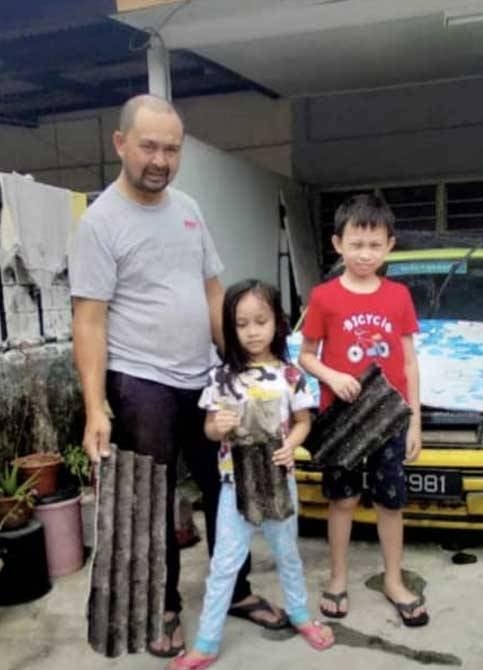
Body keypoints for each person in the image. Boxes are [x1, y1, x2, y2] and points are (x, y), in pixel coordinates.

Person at [69, 94, 287, 658]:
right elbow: (89, 320)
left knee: (228, 488)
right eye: (149, 146)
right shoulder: (99, 223)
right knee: (149, 499)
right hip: (139, 382)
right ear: (121, 144)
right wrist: (96, 405)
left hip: (205, 377)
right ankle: (161, 607)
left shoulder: (188, 207)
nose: (160, 159)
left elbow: (213, 289)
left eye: (171, 148)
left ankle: (234, 589)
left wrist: (238, 362)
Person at [168, 280, 334, 670]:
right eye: (242, 323)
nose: (253, 330)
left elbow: (303, 421)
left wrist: (291, 444)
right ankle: (207, 643)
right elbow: (209, 429)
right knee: (225, 562)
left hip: (279, 480)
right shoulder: (220, 378)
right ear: (230, 328)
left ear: (277, 322)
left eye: (261, 321)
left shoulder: (290, 375)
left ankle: (299, 615)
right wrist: (219, 426)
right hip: (233, 485)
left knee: (288, 555)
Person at [298, 193, 429, 626]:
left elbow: (409, 361)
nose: (364, 253)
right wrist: (331, 377)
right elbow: (306, 355)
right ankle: (337, 579)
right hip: (342, 421)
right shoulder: (323, 297)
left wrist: (414, 421)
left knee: (391, 503)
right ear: (338, 244)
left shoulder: (398, 297)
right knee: (343, 501)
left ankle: (393, 579)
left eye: (374, 244)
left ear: (389, 245)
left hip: (389, 420)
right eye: (356, 243)